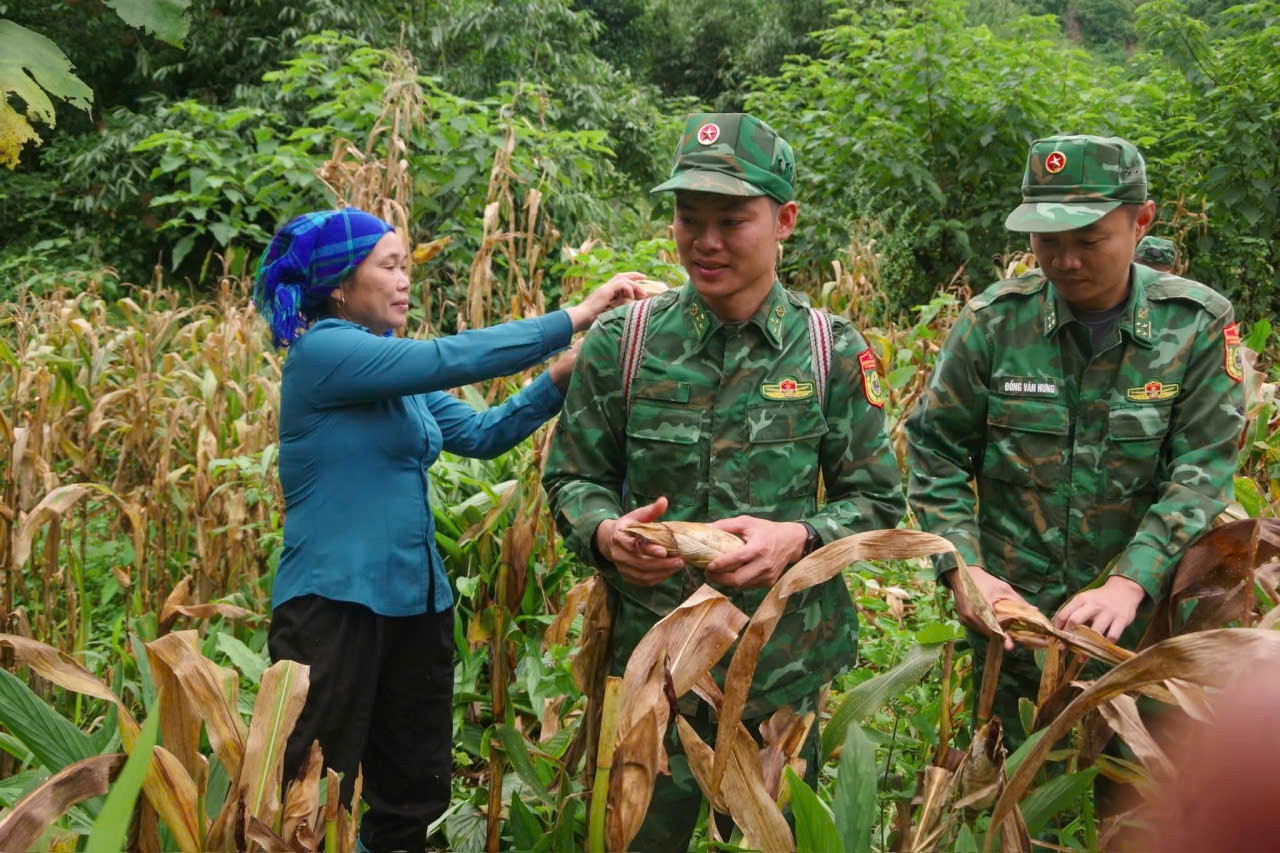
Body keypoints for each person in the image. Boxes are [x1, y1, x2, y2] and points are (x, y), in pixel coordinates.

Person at [542, 113, 905, 848]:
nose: (704, 241)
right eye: (688, 217)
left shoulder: (829, 351)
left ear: (784, 221)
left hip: (783, 677)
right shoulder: (624, 342)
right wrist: (608, 534)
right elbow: (573, 478)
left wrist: (799, 537)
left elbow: (878, 502)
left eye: (732, 220)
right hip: (654, 673)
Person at [252, 208, 643, 853]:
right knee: (311, 792)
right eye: (390, 267)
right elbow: (447, 358)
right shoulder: (323, 351)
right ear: (339, 286)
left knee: (410, 789)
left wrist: (567, 369)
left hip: (415, 603)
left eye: (408, 267)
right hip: (332, 604)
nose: (406, 281)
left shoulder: (393, 381)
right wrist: (575, 316)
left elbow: (483, 435)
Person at [905, 135, 1245, 741]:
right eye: (1047, 241)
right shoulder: (993, 325)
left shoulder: (1195, 326)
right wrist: (964, 568)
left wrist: (1129, 581)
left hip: (1147, 634)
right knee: (1011, 803)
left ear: (1141, 222)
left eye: (1088, 240)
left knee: (1139, 811)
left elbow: (1202, 470)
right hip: (1016, 630)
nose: (1064, 261)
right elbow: (936, 454)